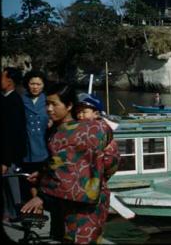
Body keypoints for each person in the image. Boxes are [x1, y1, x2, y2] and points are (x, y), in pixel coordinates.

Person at [21, 83, 114, 243]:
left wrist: (42, 195)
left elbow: (64, 169)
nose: (49, 109)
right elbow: (112, 161)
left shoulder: (62, 134)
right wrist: (94, 179)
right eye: (46, 104)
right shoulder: (98, 128)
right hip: (91, 198)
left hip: (78, 205)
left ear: (69, 105)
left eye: (54, 104)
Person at [1, 67, 27, 221]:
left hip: (10, 154)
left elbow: (11, 134)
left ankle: (17, 213)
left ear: (9, 81)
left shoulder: (13, 101)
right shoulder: (7, 99)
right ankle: (10, 212)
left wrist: (6, 160)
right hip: (6, 152)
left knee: (12, 185)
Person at [20, 70, 50, 202]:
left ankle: (42, 201)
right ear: (27, 84)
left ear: (43, 85)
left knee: (43, 175)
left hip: (44, 144)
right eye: (32, 83)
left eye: (38, 84)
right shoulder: (21, 99)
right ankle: (33, 202)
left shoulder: (49, 100)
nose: (35, 87)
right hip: (27, 145)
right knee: (29, 178)